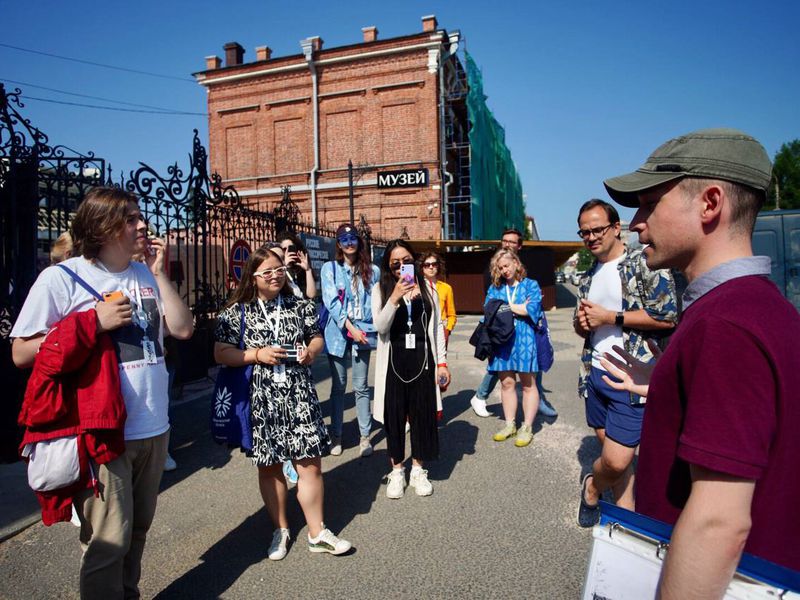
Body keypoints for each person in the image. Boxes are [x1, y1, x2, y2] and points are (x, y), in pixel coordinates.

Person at [601, 128, 800, 591]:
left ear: (710, 204)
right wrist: (672, 385)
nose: (636, 222)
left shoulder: (723, 325)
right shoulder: (761, 308)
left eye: (650, 203)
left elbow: (718, 525)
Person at [11, 187, 194, 598]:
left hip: (154, 427)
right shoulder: (61, 278)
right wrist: (92, 321)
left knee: (138, 531)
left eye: (139, 215)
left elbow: (182, 329)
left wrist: (159, 272)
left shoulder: (144, 273)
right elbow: (21, 352)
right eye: (129, 218)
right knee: (108, 541)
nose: (142, 224)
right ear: (102, 226)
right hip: (103, 431)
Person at [214, 245, 351, 561]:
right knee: (270, 467)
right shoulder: (237, 311)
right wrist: (256, 354)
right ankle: (281, 529)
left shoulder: (298, 304)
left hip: (300, 394)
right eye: (268, 271)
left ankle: (317, 532)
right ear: (253, 277)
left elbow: (316, 335)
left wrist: (312, 351)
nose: (275, 275)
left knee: (310, 465)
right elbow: (220, 352)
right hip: (262, 398)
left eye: (279, 269)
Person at [574, 199, 677, 527]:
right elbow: (584, 329)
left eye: (597, 229)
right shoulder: (588, 274)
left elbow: (667, 316)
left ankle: (592, 487)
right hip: (595, 373)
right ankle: (625, 528)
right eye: (584, 232)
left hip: (629, 379)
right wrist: (582, 323)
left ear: (616, 228)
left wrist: (610, 317)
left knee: (617, 461)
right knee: (618, 461)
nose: (591, 237)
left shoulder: (643, 262)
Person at [372, 240, 450, 498]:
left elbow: (437, 327)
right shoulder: (380, 289)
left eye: (406, 260)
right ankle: (397, 470)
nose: (402, 266)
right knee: (394, 420)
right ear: (388, 266)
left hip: (423, 361)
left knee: (422, 416)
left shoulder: (428, 288)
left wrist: (442, 362)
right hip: (393, 364)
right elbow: (381, 327)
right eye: (396, 263)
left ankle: (418, 468)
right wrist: (395, 297)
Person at [470, 227, 558, 418]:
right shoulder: (495, 275)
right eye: (505, 241)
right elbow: (491, 307)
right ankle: (481, 396)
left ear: (519, 247)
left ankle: (535, 403)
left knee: (531, 378)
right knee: (504, 377)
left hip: (526, 334)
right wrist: (515, 306)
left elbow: (532, 307)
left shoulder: (528, 279)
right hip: (502, 333)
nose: (507, 244)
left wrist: (509, 306)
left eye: (511, 242)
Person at [320, 224, 380, 457]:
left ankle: (365, 437)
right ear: (338, 244)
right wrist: (349, 327)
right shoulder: (330, 269)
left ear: (358, 241)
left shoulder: (372, 270)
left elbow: (377, 301)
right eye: (344, 239)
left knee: (361, 386)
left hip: (363, 332)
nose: (349, 243)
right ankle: (337, 435)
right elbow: (331, 301)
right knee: (338, 387)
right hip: (338, 335)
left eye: (352, 238)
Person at [483, 249, 543, 447]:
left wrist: (505, 307)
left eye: (506, 266)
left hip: (524, 339)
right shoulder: (495, 288)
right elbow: (489, 311)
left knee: (528, 384)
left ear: (516, 263)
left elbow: (532, 309)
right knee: (507, 383)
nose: (504, 271)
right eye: (500, 268)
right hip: (501, 340)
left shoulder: (531, 285)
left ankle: (527, 427)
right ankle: (510, 425)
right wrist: (516, 307)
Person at [419, 251, 456, 347]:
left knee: (440, 360)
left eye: (434, 264)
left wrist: (447, 329)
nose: (431, 267)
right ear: (422, 267)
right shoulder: (417, 287)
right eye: (427, 265)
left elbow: (452, 315)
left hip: (441, 327)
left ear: (438, 266)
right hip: (423, 326)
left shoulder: (446, 288)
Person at [276, 231, 316, 299]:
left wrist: (308, 270)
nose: (287, 251)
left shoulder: (300, 268)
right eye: (284, 249)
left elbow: (311, 295)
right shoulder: (279, 268)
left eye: (291, 247)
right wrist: (285, 267)